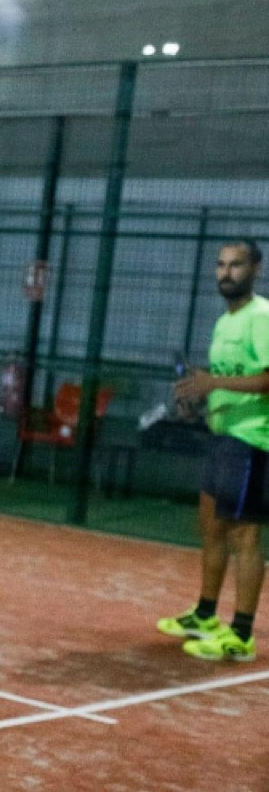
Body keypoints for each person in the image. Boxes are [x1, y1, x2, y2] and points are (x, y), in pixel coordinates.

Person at [155, 235, 269, 662]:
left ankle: (241, 635)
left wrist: (213, 382)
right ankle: (205, 615)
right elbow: (227, 379)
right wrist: (198, 398)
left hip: (253, 439)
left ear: (255, 269)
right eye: (220, 265)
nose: (226, 273)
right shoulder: (225, 322)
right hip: (222, 436)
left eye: (236, 265)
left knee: (245, 535)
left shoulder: (262, 317)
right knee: (210, 526)